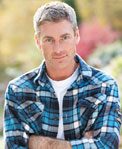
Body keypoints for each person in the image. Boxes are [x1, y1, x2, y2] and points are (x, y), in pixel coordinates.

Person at [4, 1, 121, 149]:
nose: (58, 49)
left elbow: (107, 145)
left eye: (64, 37)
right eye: (49, 40)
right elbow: (13, 146)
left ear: (76, 35)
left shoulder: (104, 86)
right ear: (38, 41)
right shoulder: (18, 90)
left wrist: (40, 143)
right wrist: (84, 144)